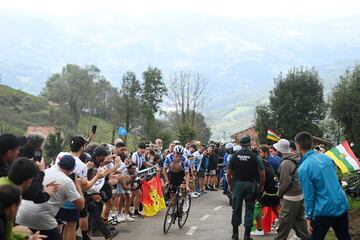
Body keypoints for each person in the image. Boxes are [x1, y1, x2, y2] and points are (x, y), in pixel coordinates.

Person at [295, 132, 350, 240]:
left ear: (298, 146)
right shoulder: (327, 158)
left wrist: (308, 217)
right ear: (311, 144)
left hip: (324, 208)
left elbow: (309, 195)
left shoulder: (304, 168)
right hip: (340, 203)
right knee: (344, 237)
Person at [16, 155, 85, 240]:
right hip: (42, 220)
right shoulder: (67, 181)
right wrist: (78, 185)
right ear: (71, 170)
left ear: (59, 164)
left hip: (21, 216)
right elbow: (81, 205)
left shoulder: (44, 171)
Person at [227, 136, 265, 240]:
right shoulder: (255, 156)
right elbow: (262, 173)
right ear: (249, 144)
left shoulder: (234, 156)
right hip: (250, 185)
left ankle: (235, 234)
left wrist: (230, 184)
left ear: (240, 144)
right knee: (249, 209)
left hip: (237, 185)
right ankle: (247, 235)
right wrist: (261, 185)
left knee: (236, 209)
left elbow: (229, 172)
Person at [272, 139, 309, 240]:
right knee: (300, 222)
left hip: (290, 196)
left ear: (280, 150)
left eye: (276, 149)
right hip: (299, 194)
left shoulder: (286, 163)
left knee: (284, 223)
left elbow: (285, 182)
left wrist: (279, 193)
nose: (275, 151)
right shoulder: (295, 158)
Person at [163, 145, 191, 211]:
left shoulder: (185, 160)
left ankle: (185, 199)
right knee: (172, 194)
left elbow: (187, 174)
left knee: (183, 187)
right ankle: (172, 211)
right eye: (177, 154)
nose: (178, 157)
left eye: (180, 155)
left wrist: (187, 186)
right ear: (174, 153)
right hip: (172, 173)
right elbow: (164, 169)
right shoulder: (169, 157)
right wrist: (167, 181)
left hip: (181, 174)